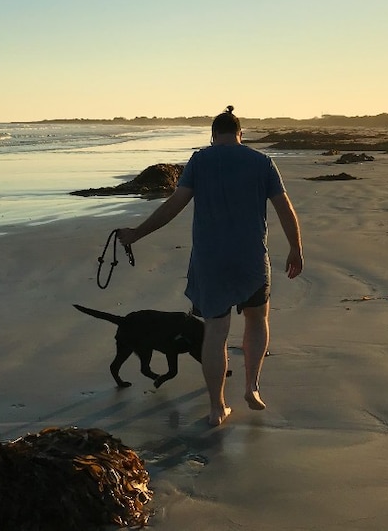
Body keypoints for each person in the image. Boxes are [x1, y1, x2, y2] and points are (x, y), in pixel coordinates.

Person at [116, 106, 303, 426]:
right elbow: (284, 208)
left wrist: (136, 234)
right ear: (240, 135)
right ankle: (252, 388)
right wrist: (296, 249)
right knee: (257, 321)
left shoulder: (200, 161)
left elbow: (173, 206)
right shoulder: (262, 162)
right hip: (251, 260)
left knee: (216, 333)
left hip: (210, 261)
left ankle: (217, 408)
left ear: (213, 136)